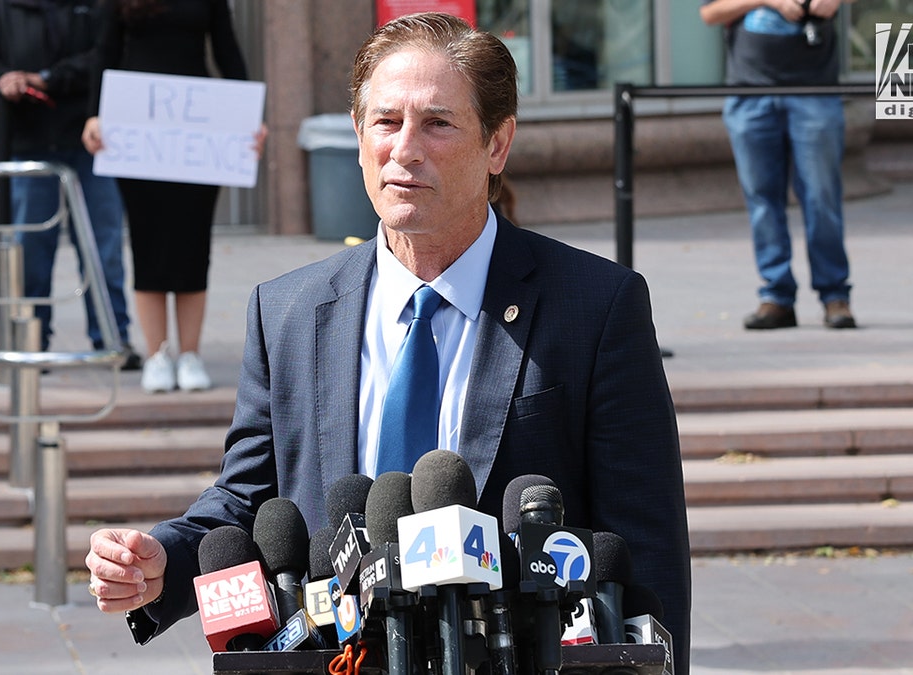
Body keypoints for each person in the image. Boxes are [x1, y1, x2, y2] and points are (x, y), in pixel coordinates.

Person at [85, 12, 691, 673]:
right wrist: (159, 562)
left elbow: (646, 549)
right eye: (385, 121)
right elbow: (246, 498)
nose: (404, 148)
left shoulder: (595, 305)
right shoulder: (288, 311)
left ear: (497, 144)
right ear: (357, 135)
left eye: (437, 123)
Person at [81, 0, 262, 393]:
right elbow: (105, 52)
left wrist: (249, 118)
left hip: (198, 132)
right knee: (148, 243)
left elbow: (227, 50)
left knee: (193, 241)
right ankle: (157, 354)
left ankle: (191, 353)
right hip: (136, 131)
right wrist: (96, 114)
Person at [0, 0, 140, 367]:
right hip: (29, 142)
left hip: (91, 141)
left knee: (102, 247)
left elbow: (104, 56)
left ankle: (111, 339)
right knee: (30, 248)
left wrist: (46, 78)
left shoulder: (96, 7)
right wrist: (4, 79)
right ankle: (31, 341)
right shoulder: (2, 7)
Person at [702, 0, 858, 330]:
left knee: (822, 197)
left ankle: (834, 296)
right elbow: (709, 13)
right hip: (749, 94)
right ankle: (776, 296)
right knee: (762, 201)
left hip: (814, 91)